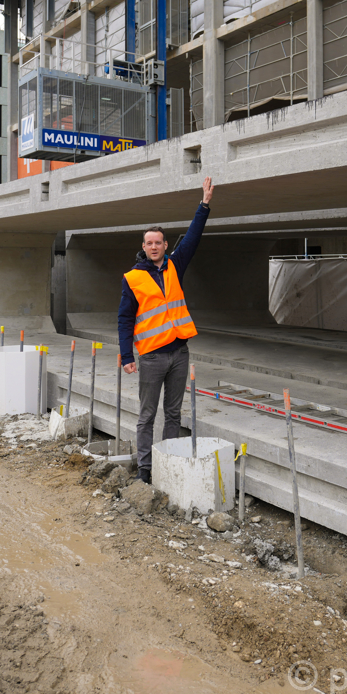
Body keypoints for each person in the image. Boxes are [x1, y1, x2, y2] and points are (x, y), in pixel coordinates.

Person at [119, 176, 214, 483]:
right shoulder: (132, 278)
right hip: (151, 357)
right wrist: (125, 355)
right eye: (150, 243)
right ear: (143, 247)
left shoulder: (175, 265)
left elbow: (193, 237)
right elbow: (124, 319)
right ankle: (146, 472)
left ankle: (170, 465)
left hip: (178, 353)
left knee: (174, 414)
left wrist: (204, 205)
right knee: (147, 416)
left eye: (159, 242)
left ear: (164, 244)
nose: (155, 247)